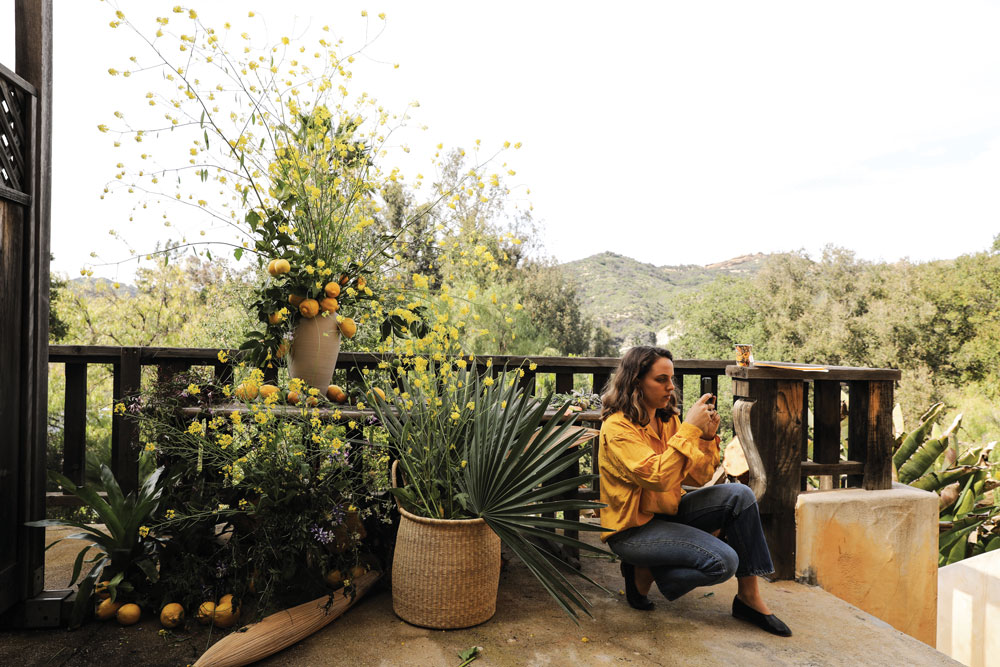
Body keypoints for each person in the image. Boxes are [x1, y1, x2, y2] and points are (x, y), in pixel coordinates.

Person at [598, 346, 792, 637]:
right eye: (660, 379)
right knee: (723, 561)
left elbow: (700, 478)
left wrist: (706, 438)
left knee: (741, 496)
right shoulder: (617, 428)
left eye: (671, 379)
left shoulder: (668, 421)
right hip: (632, 531)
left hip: (669, 513)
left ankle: (749, 598)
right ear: (636, 381)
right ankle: (642, 569)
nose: (669, 387)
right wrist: (689, 429)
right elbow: (657, 478)